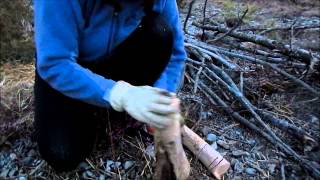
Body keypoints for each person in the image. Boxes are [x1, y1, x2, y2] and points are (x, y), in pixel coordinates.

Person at [33, 0, 186, 172]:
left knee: (160, 30)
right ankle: (101, 106)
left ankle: (121, 112)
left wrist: (162, 96)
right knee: (62, 155)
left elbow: (175, 52)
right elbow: (55, 62)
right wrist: (119, 94)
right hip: (70, 67)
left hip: (118, 54)